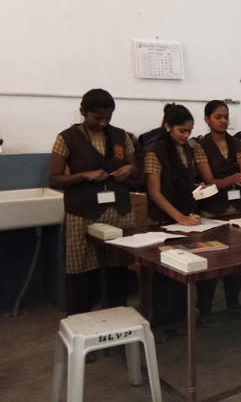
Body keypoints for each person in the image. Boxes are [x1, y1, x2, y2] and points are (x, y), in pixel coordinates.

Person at [49, 89, 139, 322]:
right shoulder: (66, 138)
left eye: (108, 118)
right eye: (97, 118)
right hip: (82, 215)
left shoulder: (121, 136)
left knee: (117, 272)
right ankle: (80, 325)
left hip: (118, 212)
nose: (103, 123)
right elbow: (54, 179)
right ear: (82, 111)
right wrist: (85, 175)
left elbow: (135, 168)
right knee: (81, 274)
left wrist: (129, 169)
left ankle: (117, 323)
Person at [145, 103, 200, 341]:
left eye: (189, 131)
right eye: (182, 131)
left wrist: (198, 190)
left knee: (185, 271)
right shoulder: (154, 152)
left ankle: (178, 319)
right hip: (165, 221)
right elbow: (155, 193)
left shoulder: (188, 150)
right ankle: (159, 324)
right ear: (168, 127)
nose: (186, 135)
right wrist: (180, 218)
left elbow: (188, 182)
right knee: (166, 276)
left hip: (186, 217)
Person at [193, 100, 241, 322]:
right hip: (212, 210)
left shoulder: (238, 143)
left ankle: (233, 303)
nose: (224, 121)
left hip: (237, 208)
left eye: (226, 117)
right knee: (211, 261)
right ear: (207, 120)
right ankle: (205, 309)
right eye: (218, 117)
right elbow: (208, 181)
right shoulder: (200, 146)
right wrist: (232, 179)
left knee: (235, 260)